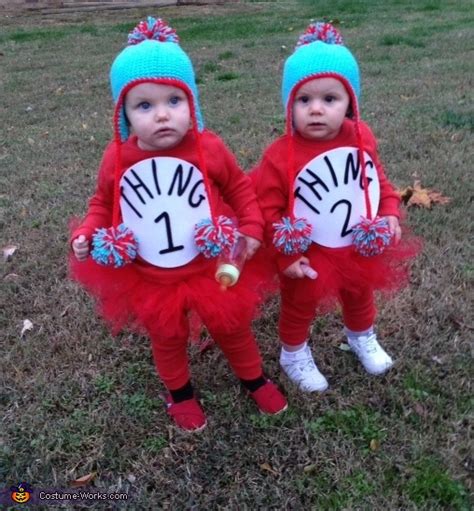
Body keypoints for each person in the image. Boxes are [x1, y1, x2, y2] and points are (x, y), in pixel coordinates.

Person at [70, 16, 287, 431]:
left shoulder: (209, 148)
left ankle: (254, 378)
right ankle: (180, 394)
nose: (163, 115)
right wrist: (86, 232)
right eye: (145, 106)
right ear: (124, 115)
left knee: (232, 327)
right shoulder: (117, 159)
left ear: (193, 102)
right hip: (152, 276)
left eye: (175, 100)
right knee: (167, 338)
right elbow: (102, 204)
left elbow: (241, 189)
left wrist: (252, 228)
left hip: (209, 266)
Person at [253, 22, 421, 392]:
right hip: (306, 251)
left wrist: (389, 210)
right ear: (289, 104)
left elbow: (376, 181)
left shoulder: (361, 137)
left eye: (330, 99)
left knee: (359, 292)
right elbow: (267, 211)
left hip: (355, 239)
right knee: (300, 303)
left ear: (350, 102)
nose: (316, 110)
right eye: (304, 99)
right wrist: (285, 257)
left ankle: (362, 336)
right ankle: (293, 353)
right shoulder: (280, 156)